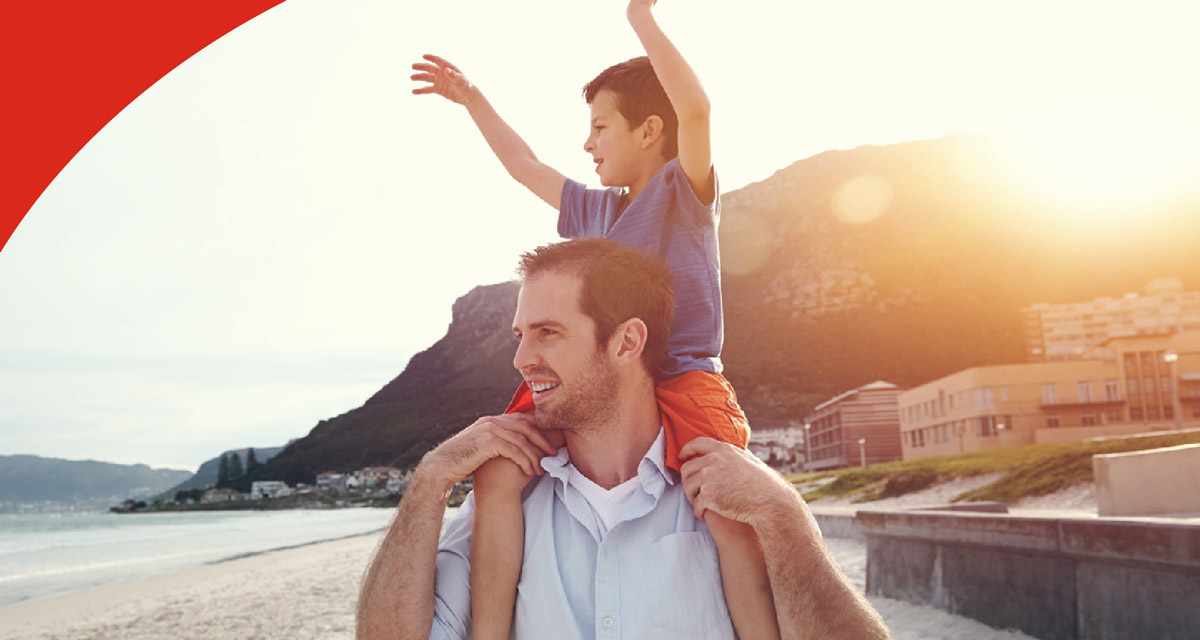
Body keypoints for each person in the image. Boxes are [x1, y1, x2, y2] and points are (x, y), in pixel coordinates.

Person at [407, 2, 781, 637]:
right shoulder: (593, 212)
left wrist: (640, 18)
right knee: (498, 469)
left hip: (683, 377)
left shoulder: (683, 193)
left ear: (650, 130)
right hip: (591, 371)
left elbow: (696, 111)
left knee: (725, 505)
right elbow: (525, 167)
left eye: (601, 127)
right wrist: (472, 100)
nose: (587, 144)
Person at [356, 238, 890, 640]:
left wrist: (785, 518)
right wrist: (431, 479)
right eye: (520, 336)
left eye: (548, 333)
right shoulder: (503, 504)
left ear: (627, 342)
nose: (521, 359)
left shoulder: (741, 503)